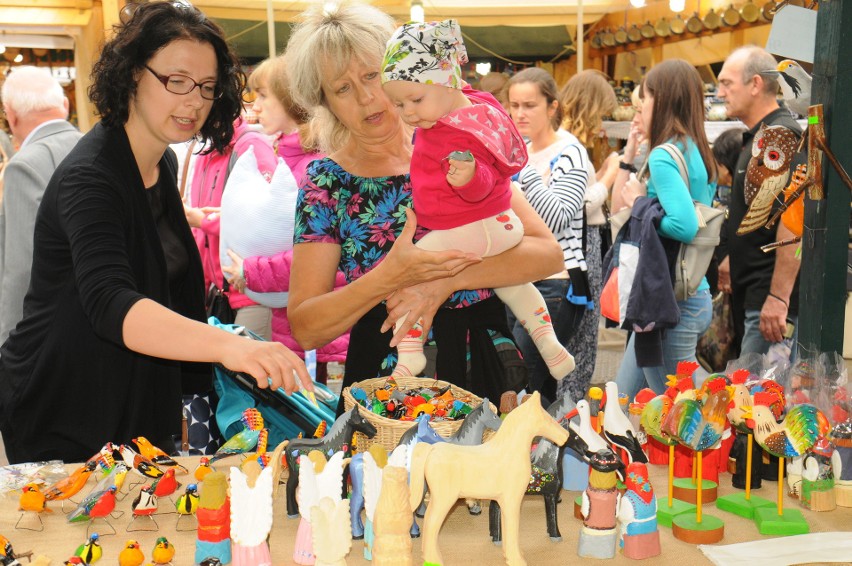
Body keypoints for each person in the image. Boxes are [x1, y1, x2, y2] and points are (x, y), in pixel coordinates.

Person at [0, 1, 311, 464]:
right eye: (176, 81)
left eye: (206, 87)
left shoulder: (160, 160)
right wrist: (230, 346)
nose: (193, 101)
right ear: (130, 75)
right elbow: (111, 302)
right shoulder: (91, 176)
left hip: (134, 397)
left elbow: (168, 288)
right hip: (67, 404)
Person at [283, 2, 564, 412]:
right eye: (342, 89)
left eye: (372, 75)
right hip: (387, 377)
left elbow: (547, 254)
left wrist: (443, 279)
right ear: (324, 101)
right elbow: (306, 327)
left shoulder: (456, 140)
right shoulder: (327, 181)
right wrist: (390, 277)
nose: (365, 97)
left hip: (480, 363)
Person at [380, 20, 573, 382]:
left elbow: (486, 178)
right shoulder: (473, 109)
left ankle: (409, 355)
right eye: (400, 104)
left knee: (406, 275)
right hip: (498, 227)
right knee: (514, 285)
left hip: (469, 227)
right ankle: (548, 343)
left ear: (447, 80)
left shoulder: (459, 125)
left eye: (416, 99)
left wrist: (469, 179)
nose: (408, 112)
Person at [223, 56, 349, 374]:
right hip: (301, 331)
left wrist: (252, 271)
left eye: (264, 95)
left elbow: (320, 256)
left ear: (292, 98)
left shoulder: (317, 166)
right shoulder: (292, 158)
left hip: (326, 343)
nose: (256, 106)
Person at [611, 59, 717, 400]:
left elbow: (685, 226)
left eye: (645, 98)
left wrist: (641, 202)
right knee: (625, 397)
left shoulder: (663, 155)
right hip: (687, 293)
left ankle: (743, 409)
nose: (641, 106)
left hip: (671, 302)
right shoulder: (694, 148)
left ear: (662, 98)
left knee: (678, 405)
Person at [506, 67, 592, 403]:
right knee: (529, 385)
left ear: (552, 107)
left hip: (557, 281)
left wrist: (522, 168)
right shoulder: (522, 149)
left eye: (530, 105)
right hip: (518, 278)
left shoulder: (570, 151)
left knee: (526, 381)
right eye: (514, 105)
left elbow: (557, 218)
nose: (520, 114)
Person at [716, 46, 801, 356]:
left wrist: (778, 298)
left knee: (756, 399)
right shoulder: (760, 137)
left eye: (727, 83)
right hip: (754, 300)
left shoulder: (777, 138)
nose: (719, 92)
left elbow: (793, 225)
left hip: (766, 306)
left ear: (755, 84)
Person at [0, 66, 83, 346]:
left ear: (11, 116)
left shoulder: (24, 166)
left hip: (51, 333)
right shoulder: (95, 149)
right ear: (65, 104)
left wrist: (9, 347)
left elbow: (23, 268)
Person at [557, 69, 621, 403]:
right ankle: (569, 410)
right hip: (579, 245)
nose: (604, 124)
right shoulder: (569, 145)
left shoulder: (562, 141)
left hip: (574, 246)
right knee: (579, 337)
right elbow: (579, 205)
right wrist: (609, 176)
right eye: (603, 114)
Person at [185, 115, 277, 339]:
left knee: (247, 370)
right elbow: (201, 234)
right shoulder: (206, 152)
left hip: (252, 291)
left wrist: (204, 221)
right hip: (220, 294)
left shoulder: (250, 145)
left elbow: (268, 217)